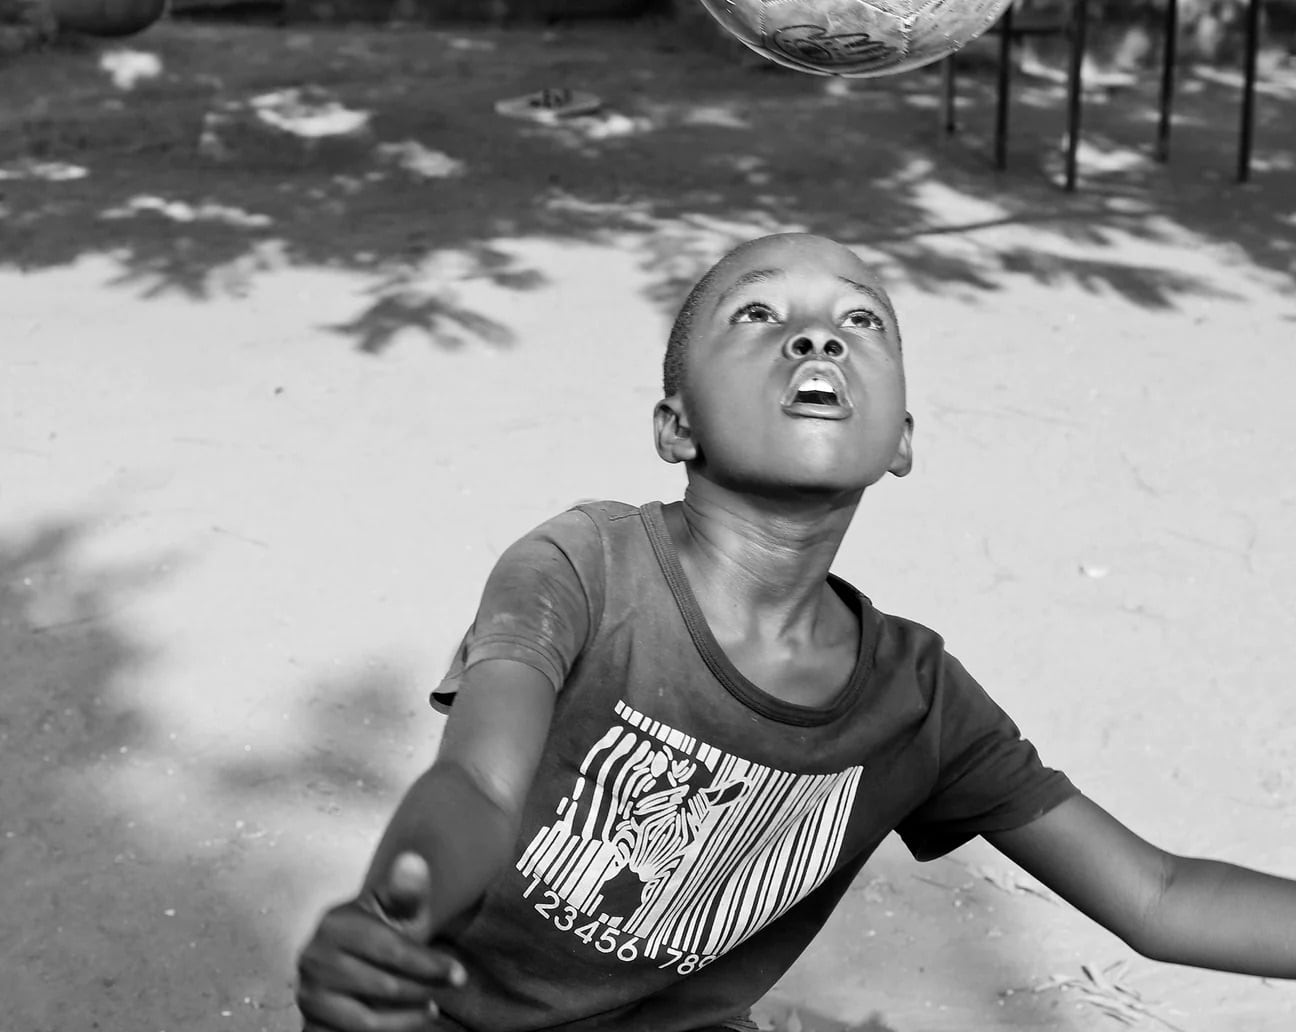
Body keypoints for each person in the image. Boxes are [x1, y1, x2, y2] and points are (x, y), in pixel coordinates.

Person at [296, 232, 1296, 1032]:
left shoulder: (918, 699)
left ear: (902, 439)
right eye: (759, 314)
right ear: (676, 426)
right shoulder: (585, 564)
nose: (819, 339)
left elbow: (1158, 897)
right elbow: (477, 781)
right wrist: (394, 913)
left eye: (861, 320)